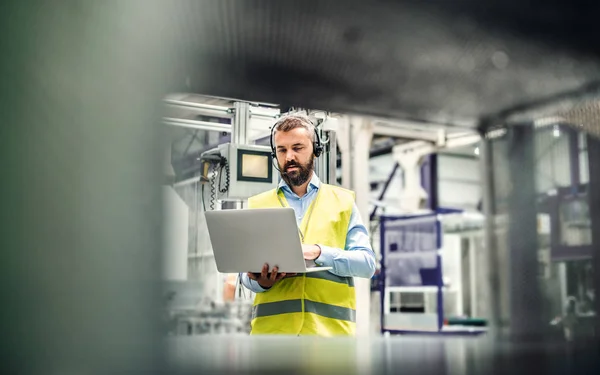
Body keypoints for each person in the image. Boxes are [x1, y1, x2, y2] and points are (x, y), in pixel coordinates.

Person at [240, 113, 376, 336]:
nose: (289, 156)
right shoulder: (258, 204)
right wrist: (261, 282)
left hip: (329, 338)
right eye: (282, 150)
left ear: (315, 149)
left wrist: (319, 252)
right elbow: (244, 277)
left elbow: (367, 264)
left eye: (297, 147)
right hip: (272, 340)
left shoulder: (343, 202)